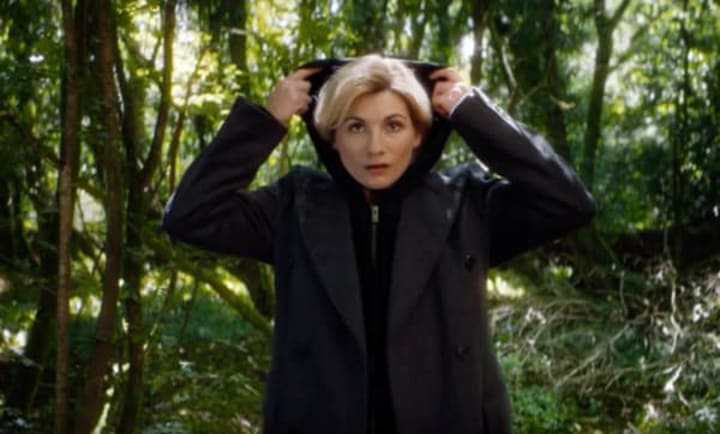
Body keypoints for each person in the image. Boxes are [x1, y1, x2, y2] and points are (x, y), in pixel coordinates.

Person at [162, 54, 595, 434]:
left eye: (393, 125)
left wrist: (475, 113)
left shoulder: (466, 205)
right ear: (332, 136)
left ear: (418, 134)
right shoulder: (294, 206)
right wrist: (265, 120)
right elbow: (189, 214)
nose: (376, 148)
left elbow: (568, 202)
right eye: (356, 127)